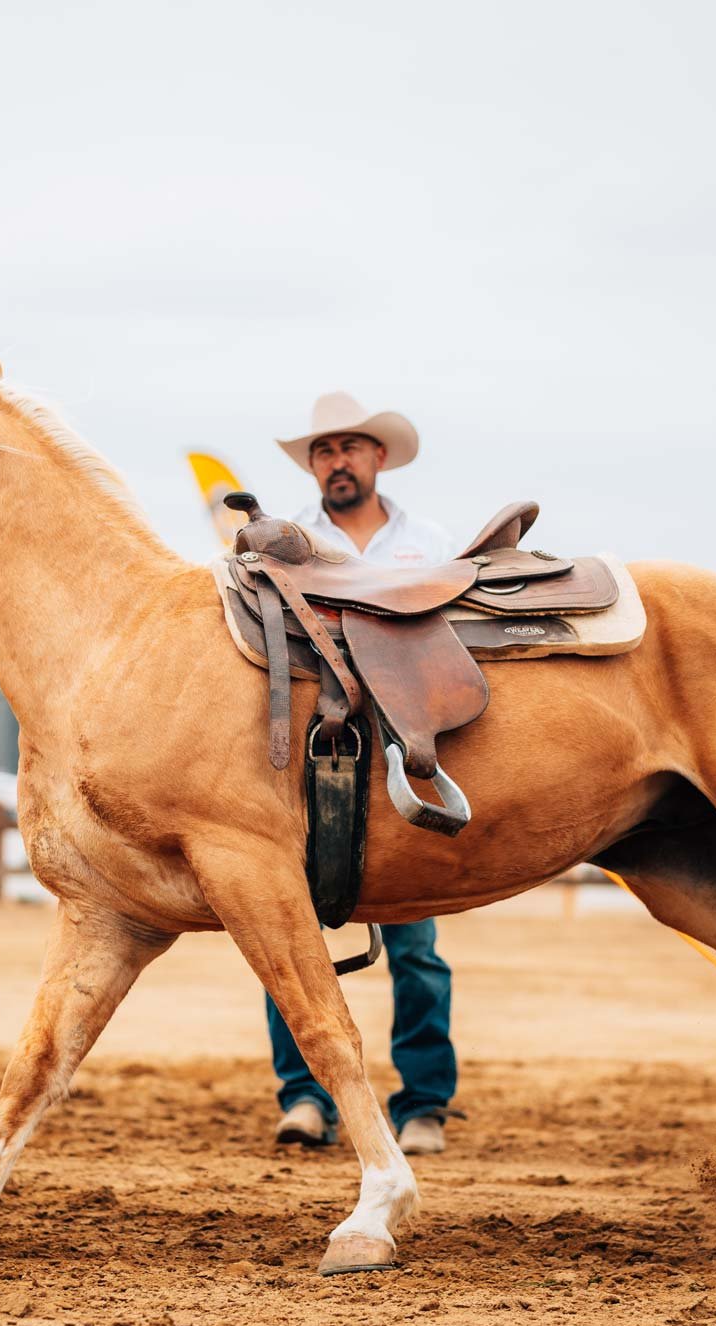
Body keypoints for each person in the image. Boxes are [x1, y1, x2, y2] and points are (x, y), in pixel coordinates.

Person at [264, 390, 461, 1156]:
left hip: (406, 755)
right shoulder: (285, 545)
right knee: (289, 940)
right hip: (317, 761)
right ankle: (306, 1097)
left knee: (416, 949)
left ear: (378, 457)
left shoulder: (431, 542)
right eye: (323, 450)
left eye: (349, 447)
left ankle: (424, 1106)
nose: (336, 461)